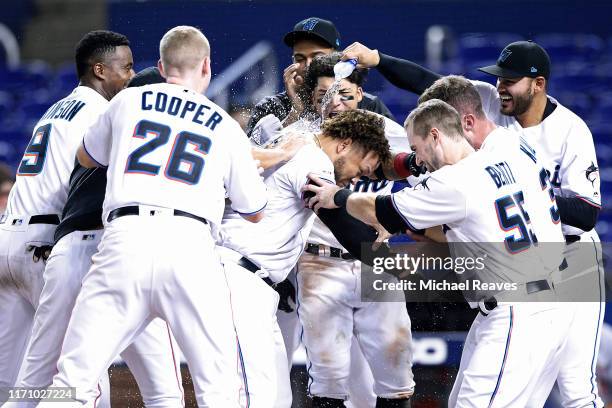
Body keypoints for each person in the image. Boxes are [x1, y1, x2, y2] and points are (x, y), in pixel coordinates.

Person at [343, 41, 605, 407]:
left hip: (570, 257)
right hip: (510, 255)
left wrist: (516, 191)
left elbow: (587, 212)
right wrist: (380, 59)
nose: (499, 88)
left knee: (576, 388)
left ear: (538, 84)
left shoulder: (569, 130)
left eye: (510, 81)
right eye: (498, 79)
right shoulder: (491, 106)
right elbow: (435, 88)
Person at [37, 26, 267, 407]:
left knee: (74, 380)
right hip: (190, 246)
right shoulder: (224, 124)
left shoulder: (128, 102)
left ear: (160, 66)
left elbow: (86, 157)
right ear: (207, 66)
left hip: (124, 239)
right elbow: (254, 212)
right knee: (218, 387)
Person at [304, 99, 571, 406]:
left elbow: (383, 210)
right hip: (552, 300)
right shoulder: (503, 155)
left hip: (515, 312)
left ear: (435, 136)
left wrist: (337, 195)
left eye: (417, 148)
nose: (418, 160)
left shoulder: (453, 181)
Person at [3, 68, 188, 408]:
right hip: (115, 259)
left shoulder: (96, 128)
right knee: (158, 391)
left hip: (59, 249)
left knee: (35, 385)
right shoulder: (149, 139)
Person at [217, 109, 392, 408]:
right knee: (251, 395)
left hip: (248, 277)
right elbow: (339, 222)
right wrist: (379, 249)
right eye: (360, 170)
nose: (354, 180)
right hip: (238, 279)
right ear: (344, 144)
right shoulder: (314, 159)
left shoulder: (294, 140)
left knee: (275, 398)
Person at [0, 30, 134, 403]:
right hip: (44, 246)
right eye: (125, 67)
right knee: (81, 376)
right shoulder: (102, 112)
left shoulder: (55, 107)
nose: (131, 76)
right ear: (100, 70)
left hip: (8, 240)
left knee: (13, 384)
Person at [291, 53, 415, 407]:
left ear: (361, 93)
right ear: (314, 98)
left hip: (377, 260)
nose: (335, 103)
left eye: (344, 93)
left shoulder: (389, 131)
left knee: (397, 377)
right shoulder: (302, 136)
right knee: (328, 379)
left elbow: (430, 170)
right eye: (325, 94)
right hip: (319, 264)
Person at [246, 17, 393, 136]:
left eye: (317, 56)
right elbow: (252, 156)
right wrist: (295, 113)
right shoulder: (272, 106)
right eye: (300, 59)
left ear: (336, 56)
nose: (308, 64)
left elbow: (397, 151)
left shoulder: (368, 104)